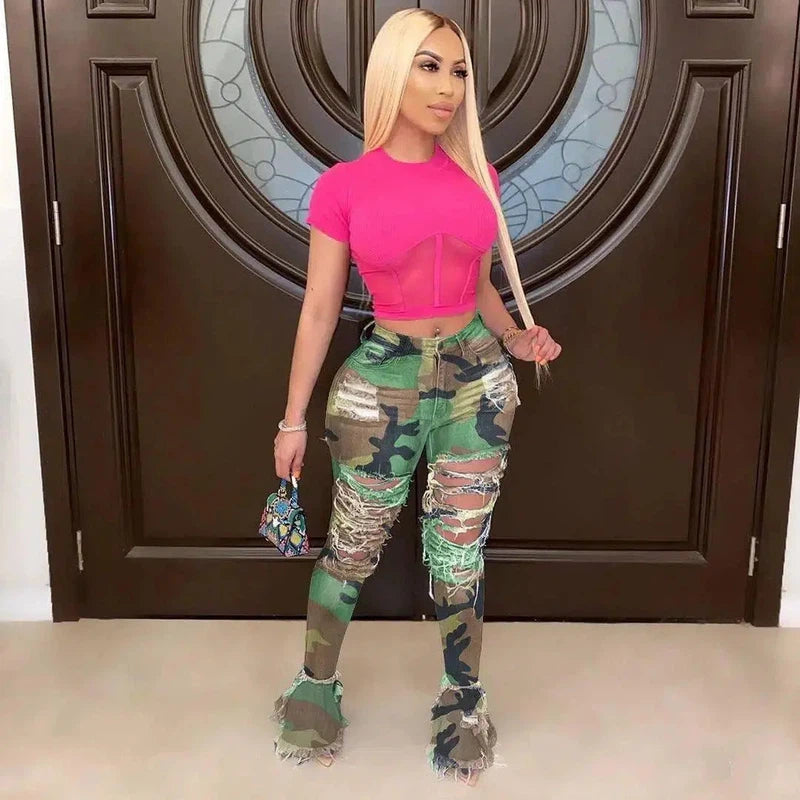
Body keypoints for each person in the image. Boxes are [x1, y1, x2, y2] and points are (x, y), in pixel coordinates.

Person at [270, 8, 562, 786]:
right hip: (381, 386)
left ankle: (462, 699)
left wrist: (517, 338)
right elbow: (319, 310)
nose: (448, 87)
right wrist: (291, 420)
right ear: (393, 72)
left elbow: (481, 288)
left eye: (459, 71)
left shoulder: (479, 178)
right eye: (429, 66)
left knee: (459, 552)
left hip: (477, 383)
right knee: (352, 546)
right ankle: (315, 685)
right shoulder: (344, 187)